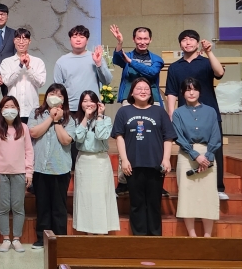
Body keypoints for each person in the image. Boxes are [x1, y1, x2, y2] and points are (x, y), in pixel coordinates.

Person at [165, 30, 228, 200]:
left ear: (198, 43)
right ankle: (189, 185)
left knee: (216, 147)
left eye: (192, 39)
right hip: (184, 114)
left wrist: (209, 52)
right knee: (186, 146)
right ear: (180, 44)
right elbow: (171, 91)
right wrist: (171, 112)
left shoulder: (207, 62)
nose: (188, 42)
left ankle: (218, 187)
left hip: (209, 111)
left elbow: (219, 73)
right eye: (184, 40)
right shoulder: (175, 67)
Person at [112, 78, 176, 236]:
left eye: (146, 89)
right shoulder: (124, 112)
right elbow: (119, 137)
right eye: (139, 88)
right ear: (131, 93)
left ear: (151, 93)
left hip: (155, 164)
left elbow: (168, 137)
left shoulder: (159, 112)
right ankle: (139, 238)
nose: (143, 91)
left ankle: (155, 238)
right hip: (133, 165)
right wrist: (124, 159)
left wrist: (166, 159)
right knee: (137, 203)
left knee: (154, 203)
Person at [110, 25, 164, 196]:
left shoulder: (156, 59)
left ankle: (158, 177)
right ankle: (123, 181)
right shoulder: (127, 55)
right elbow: (117, 59)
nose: (142, 41)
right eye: (139, 38)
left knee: (156, 141)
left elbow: (151, 72)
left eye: (145, 38)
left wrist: (132, 62)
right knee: (126, 140)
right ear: (134, 39)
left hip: (152, 101)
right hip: (129, 101)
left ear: (150, 40)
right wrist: (119, 43)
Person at [172, 78, 221, 238]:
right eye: (188, 90)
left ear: (200, 91)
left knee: (208, 194)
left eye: (194, 89)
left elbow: (216, 135)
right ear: (182, 93)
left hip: (207, 153)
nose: (191, 93)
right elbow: (178, 136)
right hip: (187, 154)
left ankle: (207, 236)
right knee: (187, 195)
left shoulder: (211, 111)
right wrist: (195, 155)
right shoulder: (178, 113)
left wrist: (208, 156)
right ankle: (192, 235)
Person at [28, 84, 75, 247]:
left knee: (59, 207)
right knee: (42, 206)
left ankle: (59, 239)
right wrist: (50, 118)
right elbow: (34, 133)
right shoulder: (36, 113)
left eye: (60, 95)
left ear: (64, 100)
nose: (55, 97)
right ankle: (42, 239)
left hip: (60, 168)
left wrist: (57, 121)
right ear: (46, 96)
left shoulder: (69, 118)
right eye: (52, 93)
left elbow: (66, 140)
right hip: (40, 167)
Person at [0, 96, 33, 253]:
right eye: (6, 107)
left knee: (18, 206)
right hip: (0, 173)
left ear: (18, 109)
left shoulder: (24, 128)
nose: (9, 109)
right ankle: (6, 238)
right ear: (1, 110)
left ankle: (17, 238)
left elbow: (29, 151)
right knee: (3, 206)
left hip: (19, 172)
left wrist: (29, 172)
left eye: (12, 106)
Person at [72, 90, 120, 235]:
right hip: (84, 161)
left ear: (97, 103)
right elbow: (78, 138)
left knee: (100, 196)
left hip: (100, 161)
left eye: (91, 101)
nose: (88, 104)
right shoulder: (76, 120)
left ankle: (101, 232)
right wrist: (85, 118)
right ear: (81, 104)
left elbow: (101, 135)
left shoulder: (106, 119)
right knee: (85, 197)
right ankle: (87, 231)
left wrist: (99, 116)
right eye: (85, 101)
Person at [53, 25, 112, 112]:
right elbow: (58, 88)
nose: (78, 40)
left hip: (92, 106)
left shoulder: (96, 57)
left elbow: (107, 81)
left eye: (82, 37)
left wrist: (99, 64)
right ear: (70, 40)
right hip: (70, 108)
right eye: (74, 37)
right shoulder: (61, 61)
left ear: (87, 40)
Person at [0, 28, 46, 123]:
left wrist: (28, 67)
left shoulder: (38, 62)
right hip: (12, 110)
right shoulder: (6, 62)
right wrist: (20, 65)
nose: (21, 42)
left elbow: (40, 83)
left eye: (24, 39)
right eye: (18, 39)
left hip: (32, 109)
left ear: (29, 41)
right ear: (14, 41)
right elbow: (7, 82)